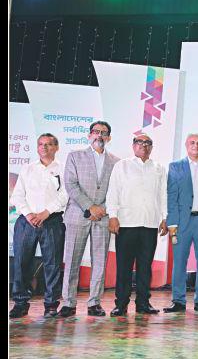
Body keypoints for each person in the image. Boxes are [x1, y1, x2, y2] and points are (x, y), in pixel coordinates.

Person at [58, 120, 120, 318]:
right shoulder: (75, 156)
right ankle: (68, 303)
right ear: (89, 135)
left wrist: (101, 209)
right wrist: (89, 206)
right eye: (95, 131)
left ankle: (94, 303)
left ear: (109, 138)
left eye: (104, 132)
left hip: (103, 217)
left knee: (100, 262)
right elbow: (71, 184)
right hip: (77, 215)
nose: (99, 135)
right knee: (72, 261)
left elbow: (116, 190)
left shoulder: (116, 162)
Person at [106, 133, 168, 316]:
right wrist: (112, 216)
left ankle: (143, 303)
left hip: (150, 223)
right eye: (139, 142)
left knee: (145, 267)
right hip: (126, 223)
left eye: (148, 143)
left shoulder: (158, 168)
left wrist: (164, 218)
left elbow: (163, 195)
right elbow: (113, 192)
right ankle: (121, 304)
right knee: (124, 267)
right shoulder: (122, 166)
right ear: (133, 146)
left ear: (152, 147)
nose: (143, 145)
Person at [9, 134, 68, 319]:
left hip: (52, 221)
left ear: (56, 147)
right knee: (21, 262)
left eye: (49, 144)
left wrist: (45, 213)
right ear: (37, 147)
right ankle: (20, 303)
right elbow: (18, 196)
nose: (44, 147)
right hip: (26, 221)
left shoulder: (63, 168)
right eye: (41, 144)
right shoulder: (27, 168)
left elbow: (65, 195)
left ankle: (51, 304)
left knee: (52, 263)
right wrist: (29, 214)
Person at [163, 133, 198, 314]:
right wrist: (171, 223)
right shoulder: (175, 167)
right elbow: (171, 196)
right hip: (182, 222)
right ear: (186, 145)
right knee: (179, 262)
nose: (196, 145)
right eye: (192, 142)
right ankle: (178, 301)